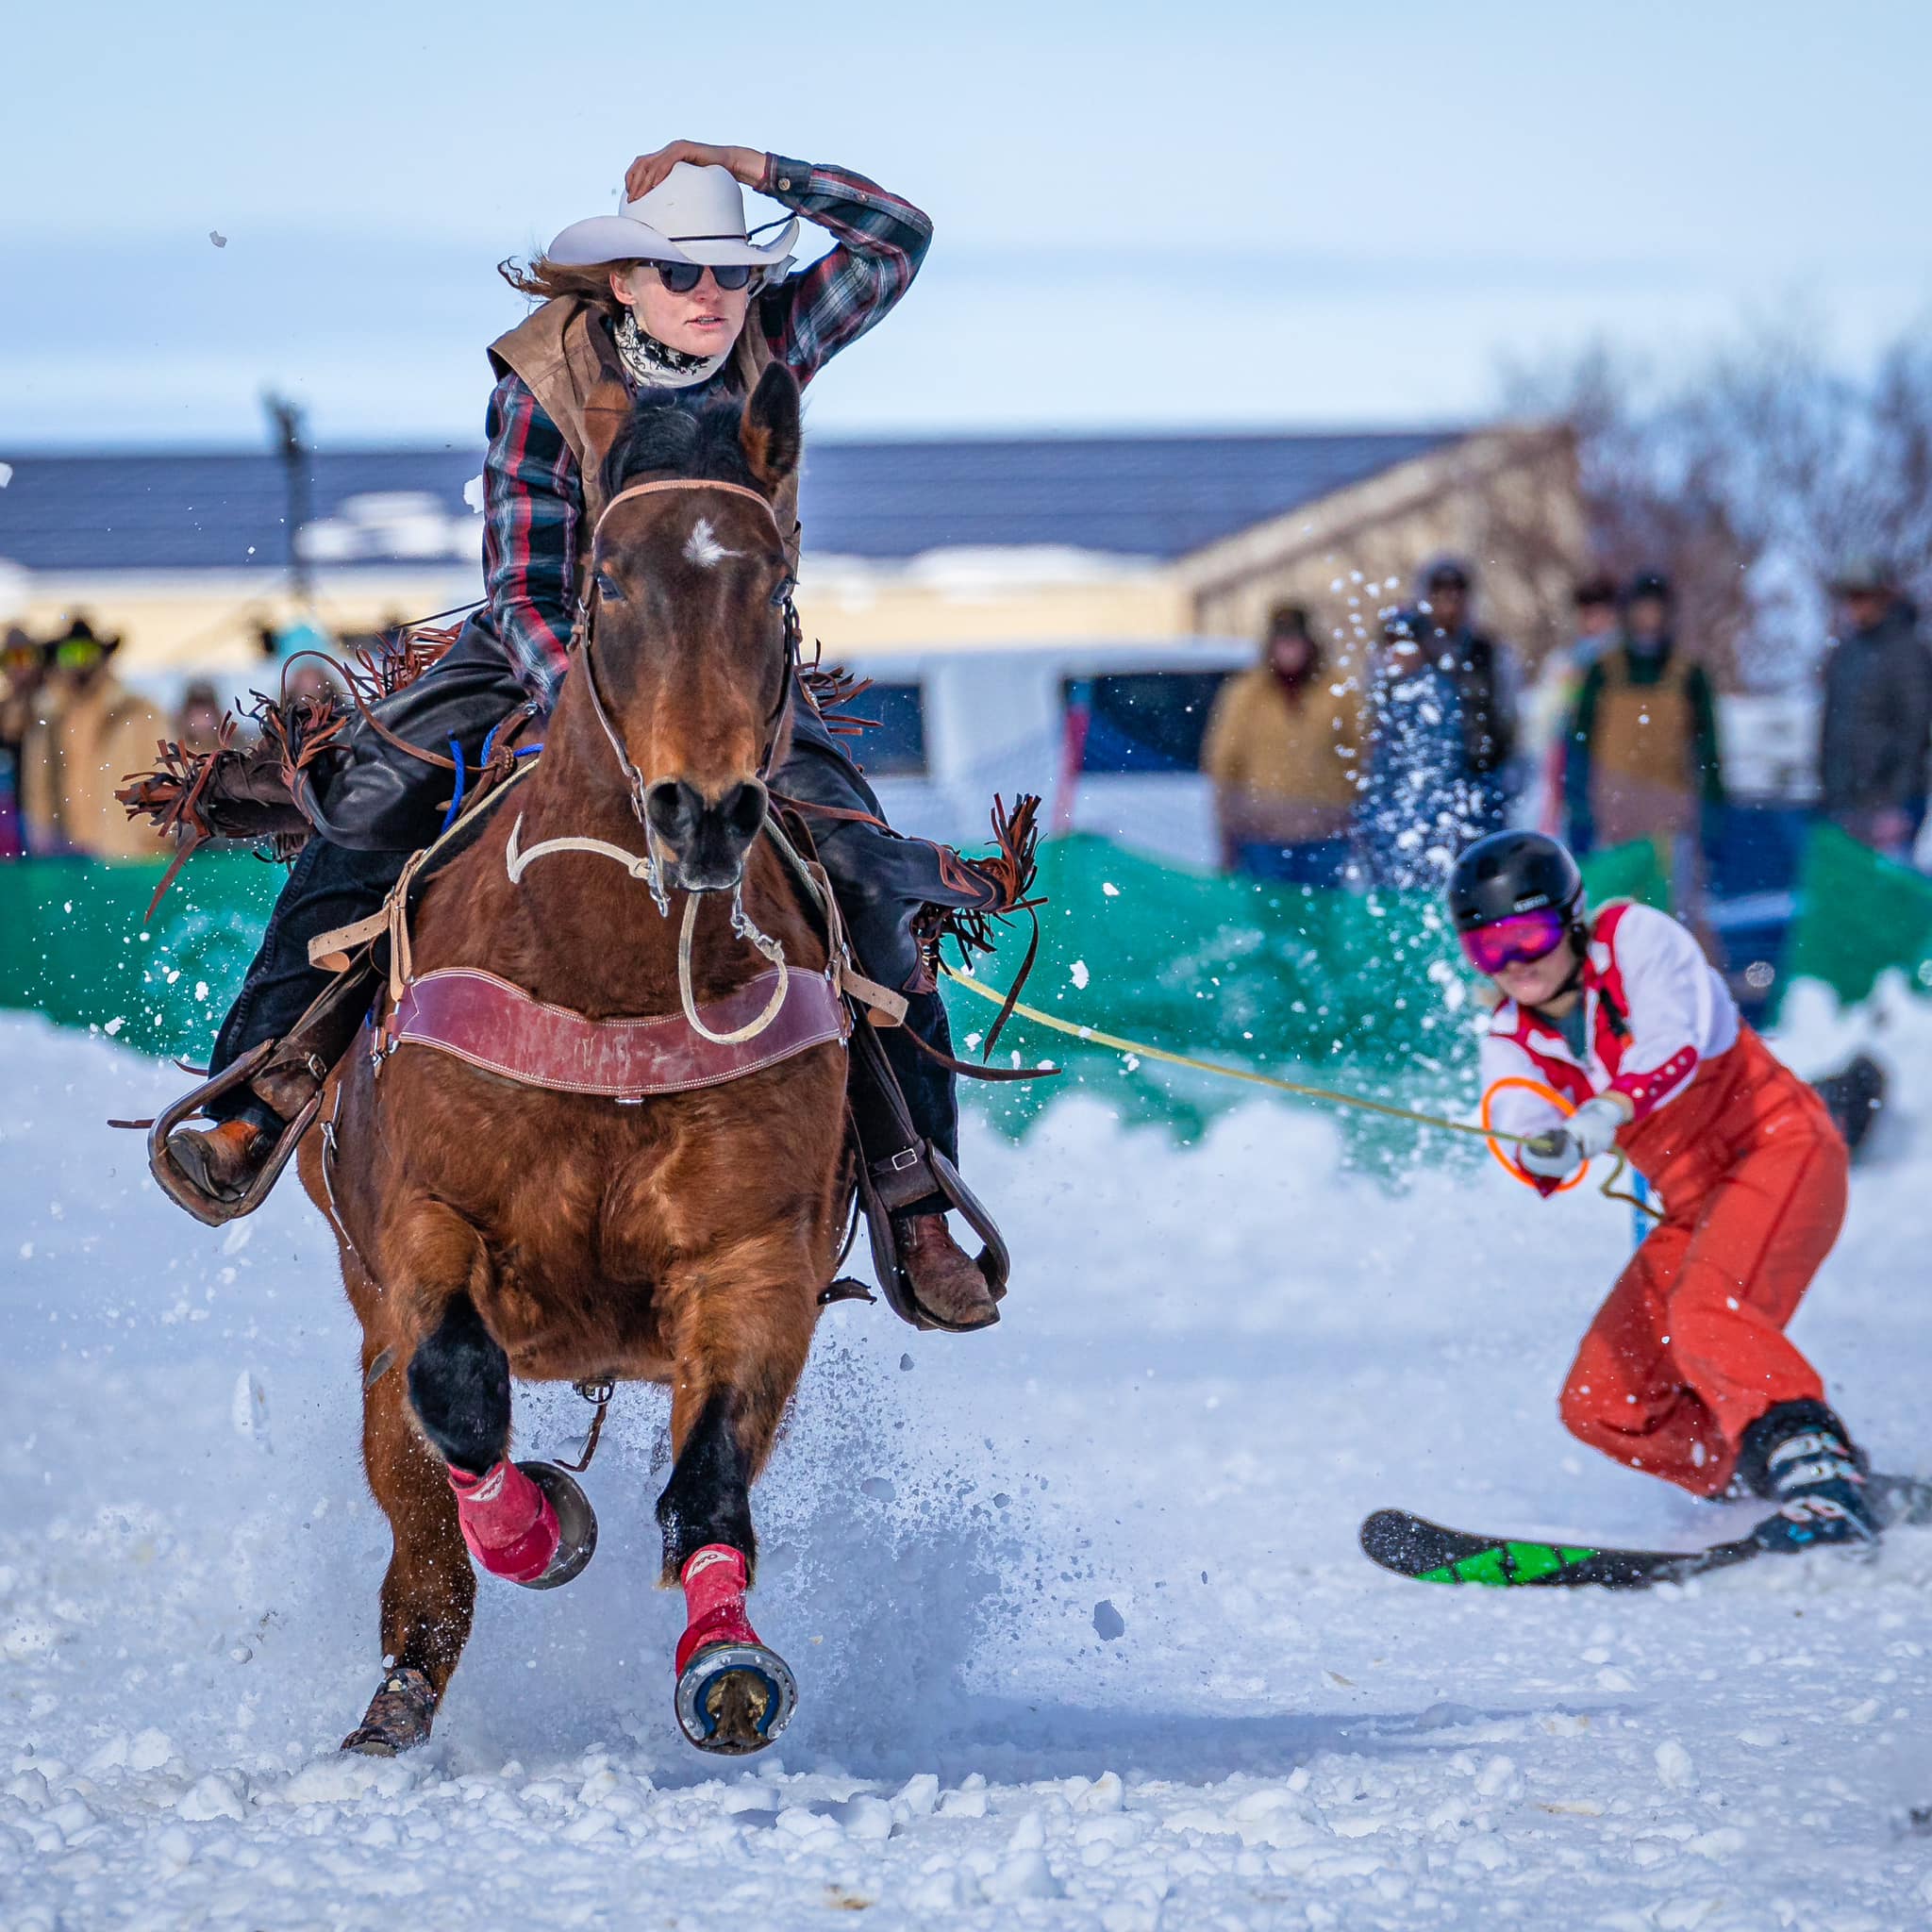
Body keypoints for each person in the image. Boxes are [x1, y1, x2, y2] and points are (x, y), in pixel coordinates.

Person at [155, 141, 1025, 1332]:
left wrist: (750, 165)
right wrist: (609, 717)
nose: (712, 298)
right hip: (545, 655)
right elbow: (519, 591)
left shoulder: (772, 337)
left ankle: (908, 1181)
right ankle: (267, 1081)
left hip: (724, 664)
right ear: (621, 279)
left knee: (859, 867)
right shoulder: (538, 379)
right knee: (366, 808)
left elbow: (895, 238)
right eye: (681, 274)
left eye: (730, 273)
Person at [1450, 828, 1874, 1546]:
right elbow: (1517, 1116)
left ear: (1572, 918)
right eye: (1490, 948)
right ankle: (1771, 1477)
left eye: (1529, 934)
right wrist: (1542, 1148)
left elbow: (1671, 1045)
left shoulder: (1636, 939)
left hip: (1780, 1152)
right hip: (1696, 1204)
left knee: (1709, 1311)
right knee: (1603, 1402)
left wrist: (1603, 1111)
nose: (1515, 963)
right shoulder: (1510, 1032)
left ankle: (1818, 1468)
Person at [1562, 572, 1724, 864]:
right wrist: (1578, 807)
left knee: (1671, 899)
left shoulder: (1688, 673)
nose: (1649, 617)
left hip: (1671, 811)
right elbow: (1580, 740)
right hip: (1613, 812)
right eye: (1642, 608)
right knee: (1614, 900)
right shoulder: (1604, 671)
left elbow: (1708, 745)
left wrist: (1713, 810)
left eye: (1656, 608)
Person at [1200, 603, 1359, 883]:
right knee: (1272, 920)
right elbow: (1223, 761)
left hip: (1324, 833)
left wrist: (1352, 812)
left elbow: (1360, 754)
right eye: (1283, 641)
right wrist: (1226, 824)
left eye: (1295, 641)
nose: (1289, 650)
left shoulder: (1338, 690)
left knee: (1320, 920)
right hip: (1263, 834)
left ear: (1310, 644)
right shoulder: (1246, 694)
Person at [1355, 605, 1500, 890]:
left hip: (1422, 829)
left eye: (1405, 645)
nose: (1396, 653)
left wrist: (1412, 825)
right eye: (1391, 644)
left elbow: (1437, 769)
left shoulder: (1434, 694)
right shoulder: (1386, 692)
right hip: (1389, 827)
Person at [18, 618, 170, 859]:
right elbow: (37, 783)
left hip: (129, 848)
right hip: (65, 849)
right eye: (71, 654)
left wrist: (157, 834)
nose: (79, 664)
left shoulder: (137, 712)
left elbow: (165, 771)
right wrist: (40, 829)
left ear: (102, 657)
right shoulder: (49, 718)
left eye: (86, 653)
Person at [1817, 557, 1932, 861]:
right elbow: (1832, 727)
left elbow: (1915, 729)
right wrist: (1831, 791)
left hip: (1890, 808)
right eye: (1850, 596)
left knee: (1886, 900)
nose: (1856, 605)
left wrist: (1898, 799)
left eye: (1863, 595)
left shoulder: (1908, 652)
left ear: (1884, 596)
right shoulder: (1845, 653)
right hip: (1845, 805)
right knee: (1849, 899)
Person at [1527, 575, 1618, 835]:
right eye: (1586, 614)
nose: (1592, 622)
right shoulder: (1565, 660)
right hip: (1568, 752)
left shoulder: (1619, 662)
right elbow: (1546, 714)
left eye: (1599, 613)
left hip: (1607, 755)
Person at [0, 629, 46, 858]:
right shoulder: (3, 710)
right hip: (8, 819)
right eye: (11, 659)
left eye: (25, 658)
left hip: (44, 819)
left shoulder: (51, 710)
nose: (19, 667)